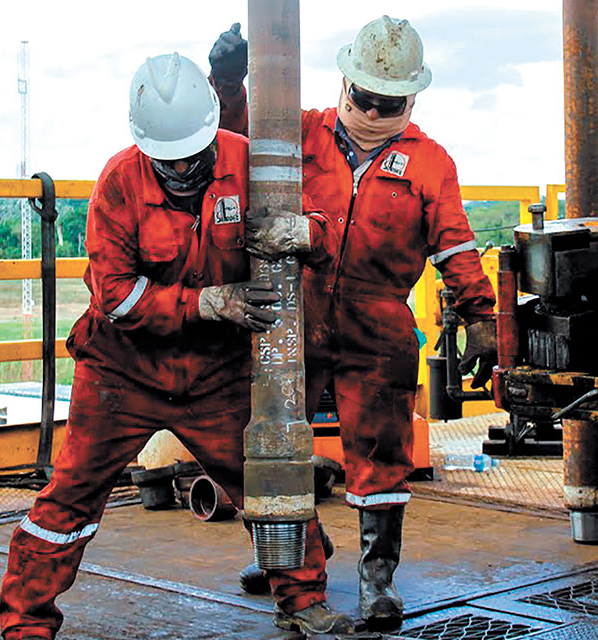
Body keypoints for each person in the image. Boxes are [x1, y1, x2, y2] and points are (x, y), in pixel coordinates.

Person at [0, 52, 355, 638]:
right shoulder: (118, 184)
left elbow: (331, 228)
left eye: (194, 151)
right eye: (169, 159)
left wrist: (306, 231)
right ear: (144, 147)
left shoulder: (250, 163)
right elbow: (114, 295)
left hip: (214, 374)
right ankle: (26, 624)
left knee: (268, 477)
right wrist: (207, 303)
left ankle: (303, 600)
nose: (185, 166)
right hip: (122, 373)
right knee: (71, 496)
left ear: (214, 126)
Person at [209, 17, 498, 631]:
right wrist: (228, 82)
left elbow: (454, 246)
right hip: (296, 315)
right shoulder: (302, 132)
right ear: (344, 82)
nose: (370, 110)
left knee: (379, 453)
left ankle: (378, 583)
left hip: (378, 324)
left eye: (386, 103)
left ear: (411, 99)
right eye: (362, 97)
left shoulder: (429, 164)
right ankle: (290, 558)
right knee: (266, 439)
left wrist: (480, 314)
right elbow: (234, 140)